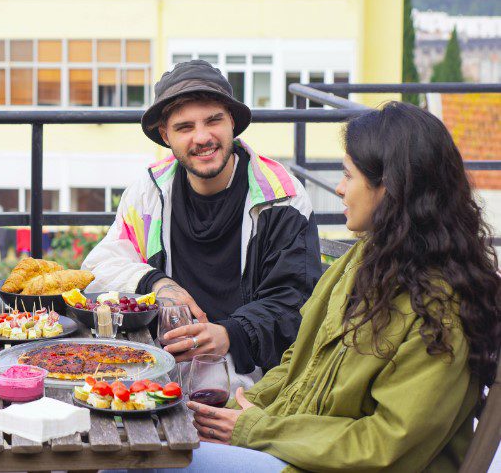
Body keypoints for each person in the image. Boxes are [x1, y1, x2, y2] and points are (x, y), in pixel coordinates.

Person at [132, 101, 501, 472]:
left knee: (143, 461)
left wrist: (258, 429)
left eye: (348, 175)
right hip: (296, 449)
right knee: (143, 443)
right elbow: (299, 361)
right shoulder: (366, 260)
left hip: (318, 463)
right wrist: (238, 412)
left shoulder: (440, 311)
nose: (339, 189)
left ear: (390, 188)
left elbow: (385, 446)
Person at [82, 60, 322, 389]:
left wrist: (229, 333)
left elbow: (296, 302)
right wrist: (156, 282)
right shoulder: (150, 190)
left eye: (213, 121)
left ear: (232, 122)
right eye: (184, 127)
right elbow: (98, 269)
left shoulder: (282, 197)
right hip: (159, 370)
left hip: (252, 380)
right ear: (165, 135)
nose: (202, 137)